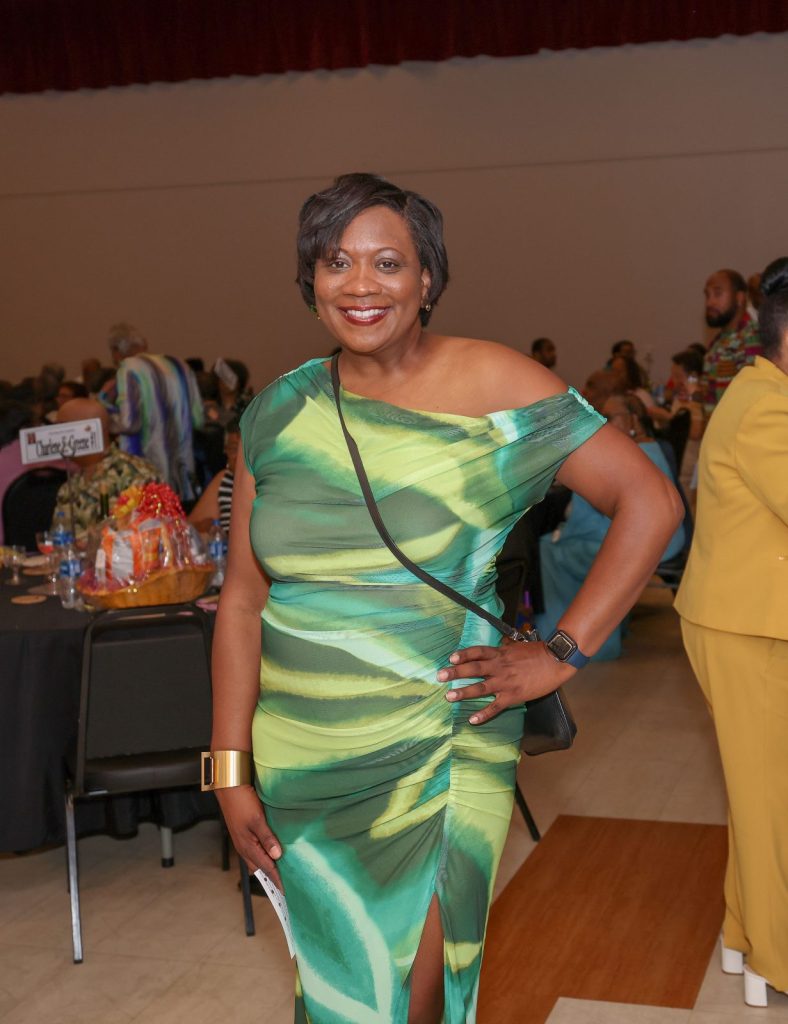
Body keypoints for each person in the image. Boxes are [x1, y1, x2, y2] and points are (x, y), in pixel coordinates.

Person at [209, 172, 682, 1023]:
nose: (360, 284)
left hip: (438, 747)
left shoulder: (494, 382)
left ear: (427, 277)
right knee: (335, 999)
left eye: (387, 262)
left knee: (409, 1003)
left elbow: (650, 501)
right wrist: (229, 769)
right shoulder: (275, 415)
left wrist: (559, 653)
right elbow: (242, 602)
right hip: (302, 765)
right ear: (310, 281)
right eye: (336, 262)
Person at [675, 257, 788, 1009]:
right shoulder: (767, 409)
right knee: (772, 802)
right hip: (746, 625)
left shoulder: (760, 395)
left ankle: (746, 938)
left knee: (761, 795)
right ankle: (778, 957)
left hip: (747, 617)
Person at [535, 393, 685, 660]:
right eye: (599, 415)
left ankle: (575, 643)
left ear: (633, 420)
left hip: (643, 542)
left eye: (609, 416)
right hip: (663, 540)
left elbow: (594, 514)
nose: (602, 422)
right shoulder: (651, 447)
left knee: (550, 548)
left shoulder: (630, 455)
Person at [104, 322, 204, 500]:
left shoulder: (129, 367)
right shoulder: (180, 365)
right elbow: (198, 419)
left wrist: (107, 419)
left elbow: (128, 423)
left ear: (116, 351)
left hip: (148, 468)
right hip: (183, 471)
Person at [50, 397, 160, 538]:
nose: (54, 438)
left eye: (61, 429)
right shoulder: (70, 486)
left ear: (88, 431)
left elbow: (150, 538)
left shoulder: (135, 475)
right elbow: (59, 540)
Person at [702, 268, 762, 413]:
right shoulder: (717, 343)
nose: (709, 302)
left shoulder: (752, 337)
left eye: (717, 294)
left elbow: (751, 399)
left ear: (740, 298)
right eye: (707, 295)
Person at [187, 418, 239, 534]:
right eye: (234, 449)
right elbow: (187, 529)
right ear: (225, 451)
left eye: (245, 450)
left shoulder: (268, 484)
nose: (240, 457)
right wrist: (201, 527)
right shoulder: (226, 480)